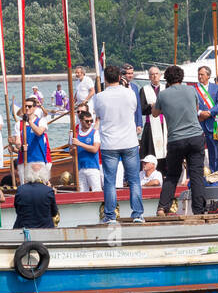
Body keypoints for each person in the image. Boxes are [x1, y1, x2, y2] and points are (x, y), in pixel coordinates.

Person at [149, 64, 208, 216]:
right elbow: (195, 110)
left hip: (176, 139)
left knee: (172, 175)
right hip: (195, 136)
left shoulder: (163, 95)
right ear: (181, 77)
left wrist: (156, 106)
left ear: (167, 80)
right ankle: (199, 210)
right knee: (196, 174)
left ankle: (163, 207)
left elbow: (155, 114)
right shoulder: (191, 90)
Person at [91, 63, 144, 224]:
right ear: (120, 77)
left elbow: (98, 115)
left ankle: (110, 215)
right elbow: (134, 109)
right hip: (129, 141)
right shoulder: (130, 93)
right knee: (134, 179)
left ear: (105, 79)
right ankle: (138, 214)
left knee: (110, 181)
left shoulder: (99, 97)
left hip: (109, 143)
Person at [193, 65, 218, 172]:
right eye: (198, 74)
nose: (199, 76)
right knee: (196, 152)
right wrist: (200, 113)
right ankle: (197, 173)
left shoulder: (216, 88)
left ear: (208, 76)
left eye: (202, 74)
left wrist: (209, 113)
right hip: (199, 123)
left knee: (214, 152)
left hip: (213, 124)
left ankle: (214, 172)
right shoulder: (193, 89)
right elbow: (191, 104)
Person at [12, 162, 58, 229]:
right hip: (46, 229)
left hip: (24, 229)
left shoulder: (20, 190)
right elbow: (54, 213)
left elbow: (18, 210)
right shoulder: (48, 191)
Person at [139, 66, 167, 171]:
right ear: (149, 77)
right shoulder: (144, 90)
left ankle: (164, 171)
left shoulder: (166, 88)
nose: (154, 76)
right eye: (152, 74)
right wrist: (151, 106)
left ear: (160, 75)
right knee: (151, 151)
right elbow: (141, 109)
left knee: (165, 149)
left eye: (156, 74)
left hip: (164, 124)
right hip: (151, 125)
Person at [71, 112, 102, 192]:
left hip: (92, 168)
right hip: (80, 168)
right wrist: (73, 149)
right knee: (82, 193)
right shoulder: (75, 134)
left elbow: (95, 149)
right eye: (87, 121)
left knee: (97, 191)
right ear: (81, 121)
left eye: (91, 121)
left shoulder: (95, 133)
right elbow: (71, 153)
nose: (89, 123)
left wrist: (79, 144)